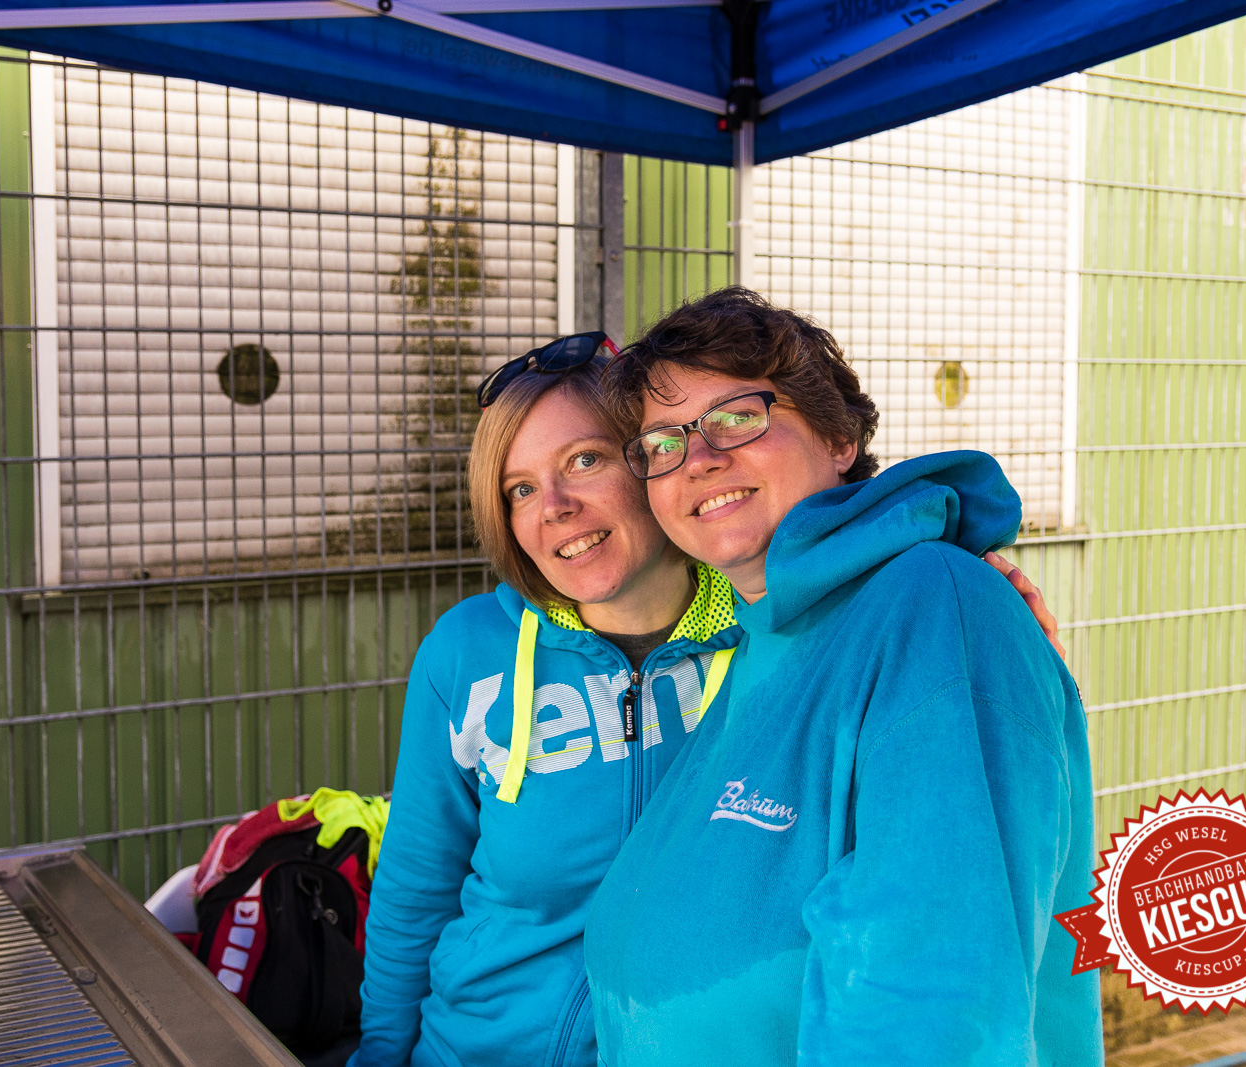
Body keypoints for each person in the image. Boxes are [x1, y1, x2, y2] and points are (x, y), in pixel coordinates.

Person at [354, 329, 1067, 1067]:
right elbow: (418, 885)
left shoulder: (771, 625)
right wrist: (380, 1051)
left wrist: (973, 593)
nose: (555, 506)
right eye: (521, 488)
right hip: (474, 1050)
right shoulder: (468, 651)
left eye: (586, 460)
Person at [582, 288, 1103, 1067]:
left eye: (736, 416)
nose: (700, 457)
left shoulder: (931, 607)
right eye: (664, 442)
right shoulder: (764, 637)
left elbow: (933, 1006)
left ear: (837, 435)